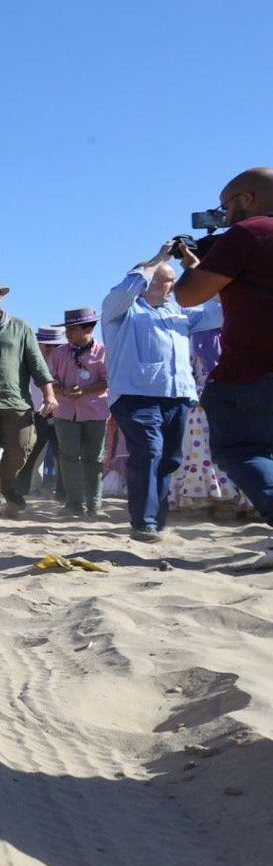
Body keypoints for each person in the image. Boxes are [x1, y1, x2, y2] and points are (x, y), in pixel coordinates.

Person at [175, 167, 273, 568]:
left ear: (247, 198)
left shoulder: (248, 233)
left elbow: (188, 296)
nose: (224, 216)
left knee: (242, 450)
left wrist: (192, 266)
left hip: (251, 367)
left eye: (225, 206)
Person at [100, 245, 224, 542]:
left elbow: (218, 311)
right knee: (148, 451)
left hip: (178, 396)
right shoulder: (122, 311)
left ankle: (156, 518)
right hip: (134, 396)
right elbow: (123, 291)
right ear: (145, 281)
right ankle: (143, 522)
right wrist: (155, 261)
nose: (166, 285)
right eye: (159, 279)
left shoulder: (181, 313)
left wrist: (198, 272)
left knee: (169, 458)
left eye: (170, 280)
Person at [0, 277, 58, 520]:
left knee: (22, 447)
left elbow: (37, 364)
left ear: (0, 296)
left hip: (17, 403)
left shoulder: (20, 327)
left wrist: (49, 395)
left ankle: (9, 488)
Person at [170, 327, 251, 516]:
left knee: (229, 447)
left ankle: (235, 499)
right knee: (204, 448)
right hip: (206, 398)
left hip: (232, 397)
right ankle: (205, 497)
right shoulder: (199, 335)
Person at [47, 308, 109, 520]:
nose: (67, 333)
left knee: (94, 458)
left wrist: (85, 390)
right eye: (67, 328)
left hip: (95, 411)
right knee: (68, 456)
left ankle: (94, 503)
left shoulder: (104, 352)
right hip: (64, 412)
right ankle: (74, 503)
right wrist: (62, 390)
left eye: (72, 329)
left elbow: (108, 380)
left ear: (88, 329)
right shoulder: (58, 354)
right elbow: (49, 380)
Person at [13, 326, 67, 504]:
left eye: (55, 346)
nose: (51, 349)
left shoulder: (66, 361)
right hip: (36, 413)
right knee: (29, 453)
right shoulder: (28, 361)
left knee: (62, 455)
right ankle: (22, 489)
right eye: (47, 345)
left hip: (60, 413)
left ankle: (62, 494)